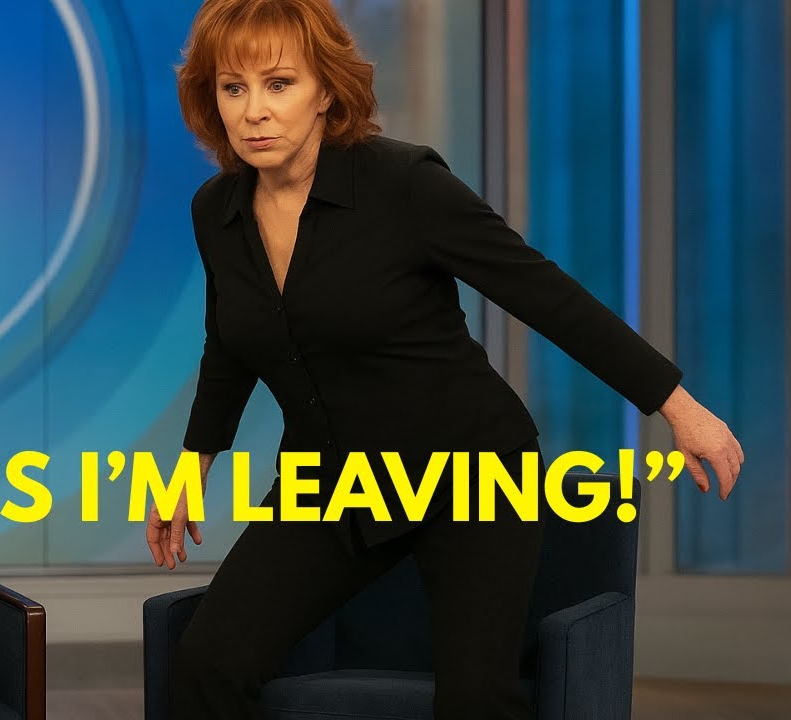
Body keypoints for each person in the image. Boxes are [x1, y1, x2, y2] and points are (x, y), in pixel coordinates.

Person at [145, 1, 744, 718]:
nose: (254, 112)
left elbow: (545, 295)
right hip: (334, 479)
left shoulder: (405, 183)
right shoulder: (216, 210)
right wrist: (191, 468)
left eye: (279, 84)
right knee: (209, 663)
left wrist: (677, 406)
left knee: (475, 699)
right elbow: (230, 344)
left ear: (326, 90)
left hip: (470, 470)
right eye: (233, 88)